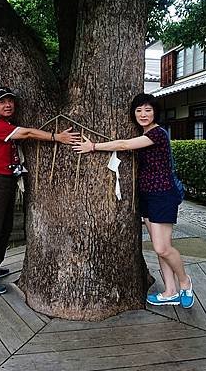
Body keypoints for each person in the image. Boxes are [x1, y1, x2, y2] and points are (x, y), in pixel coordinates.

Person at [73, 93, 194, 309]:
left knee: (162, 247)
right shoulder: (145, 133)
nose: (143, 114)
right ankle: (170, 291)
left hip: (163, 194)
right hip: (147, 195)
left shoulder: (157, 133)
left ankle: (185, 282)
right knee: (161, 248)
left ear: (155, 112)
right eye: (138, 110)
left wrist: (93, 147)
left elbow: (124, 144)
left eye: (147, 110)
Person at [0, 86, 80, 295]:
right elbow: (28, 132)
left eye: (10, 101)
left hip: (5, 181)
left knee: (4, 227)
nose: (8, 105)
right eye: (2, 101)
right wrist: (57, 137)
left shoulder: (5, 123)